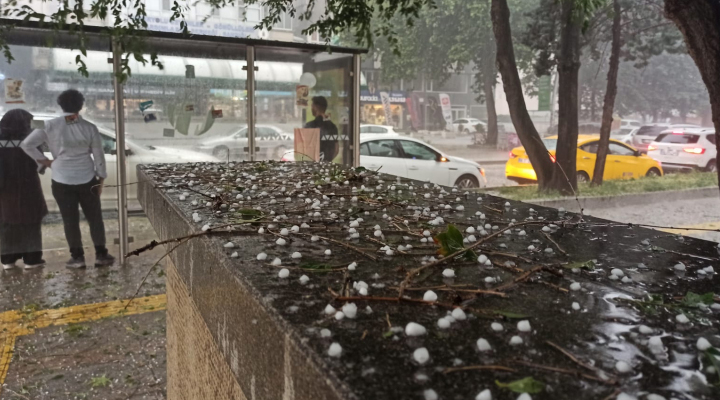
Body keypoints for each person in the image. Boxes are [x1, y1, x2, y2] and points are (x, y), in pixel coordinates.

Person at [21, 89, 114, 269]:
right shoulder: (90, 127)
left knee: (70, 220)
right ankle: (101, 255)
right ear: (81, 106)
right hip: (87, 178)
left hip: (61, 179)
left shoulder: (48, 125)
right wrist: (101, 180)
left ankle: (77, 258)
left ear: (60, 104)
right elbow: (99, 157)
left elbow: (27, 145)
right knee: (95, 218)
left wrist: (46, 162)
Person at [0, 109, 48, 270]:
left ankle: (8, 259)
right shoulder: (30, 138)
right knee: (31, 222)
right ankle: (32, 259)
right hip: (29, 186)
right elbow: (40, 164)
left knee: (7, 222)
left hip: (6, 189)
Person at [304, 96, 339, 162]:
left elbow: (304, 149)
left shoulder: (310, 126)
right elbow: (336, 149)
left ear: (316, 107)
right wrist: (327, 161)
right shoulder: (332, 126)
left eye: (312, 106)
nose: (311, 108)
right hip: (326, 165)